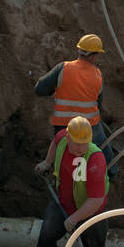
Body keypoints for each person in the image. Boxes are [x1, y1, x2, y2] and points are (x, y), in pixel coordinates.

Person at [33, 116, 110, 247]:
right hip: (63, 202)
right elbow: (55, 143)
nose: (81, 149)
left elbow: (96, 200)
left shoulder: (95, 160)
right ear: (68, 138)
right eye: (77, 144)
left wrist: (75, 218)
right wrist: (47, 163)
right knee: (46, 236)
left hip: (91, 211)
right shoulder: (62, 138)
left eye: (85, 144)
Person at [35, 34, 114, 172]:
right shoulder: (98, 76)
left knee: (66, 158)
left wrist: (54, 89)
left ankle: (59, 171)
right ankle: (109, 175)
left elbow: (39, 89)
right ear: (94, 56)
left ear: (79, 51)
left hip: (63, 127)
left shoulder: (63, 68)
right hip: (90, 128)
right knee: (105, 157)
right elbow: (98, 106)